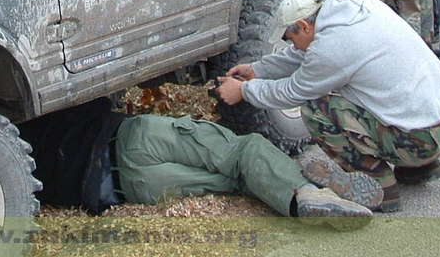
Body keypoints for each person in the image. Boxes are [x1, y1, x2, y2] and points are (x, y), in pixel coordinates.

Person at [215, 0, 440, 213]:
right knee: (378, 89)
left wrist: (245, 91)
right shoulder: (358, 5)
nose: (291, 45)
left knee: (317, 107)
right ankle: (419, 167)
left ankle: (379, 187)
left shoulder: (332, 48)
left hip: (422, 139)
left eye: (290, 39)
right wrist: (257, 69)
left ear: (303, 25)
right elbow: (303, 53)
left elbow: (292, 91)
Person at [19, 97, 381, 227]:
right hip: (134, 140)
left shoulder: (7, 168)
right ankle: (310, 189)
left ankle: (305, 195)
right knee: (243, 151)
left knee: (239, 180)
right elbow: (95, 103)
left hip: (127, 188)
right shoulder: (27, 113)